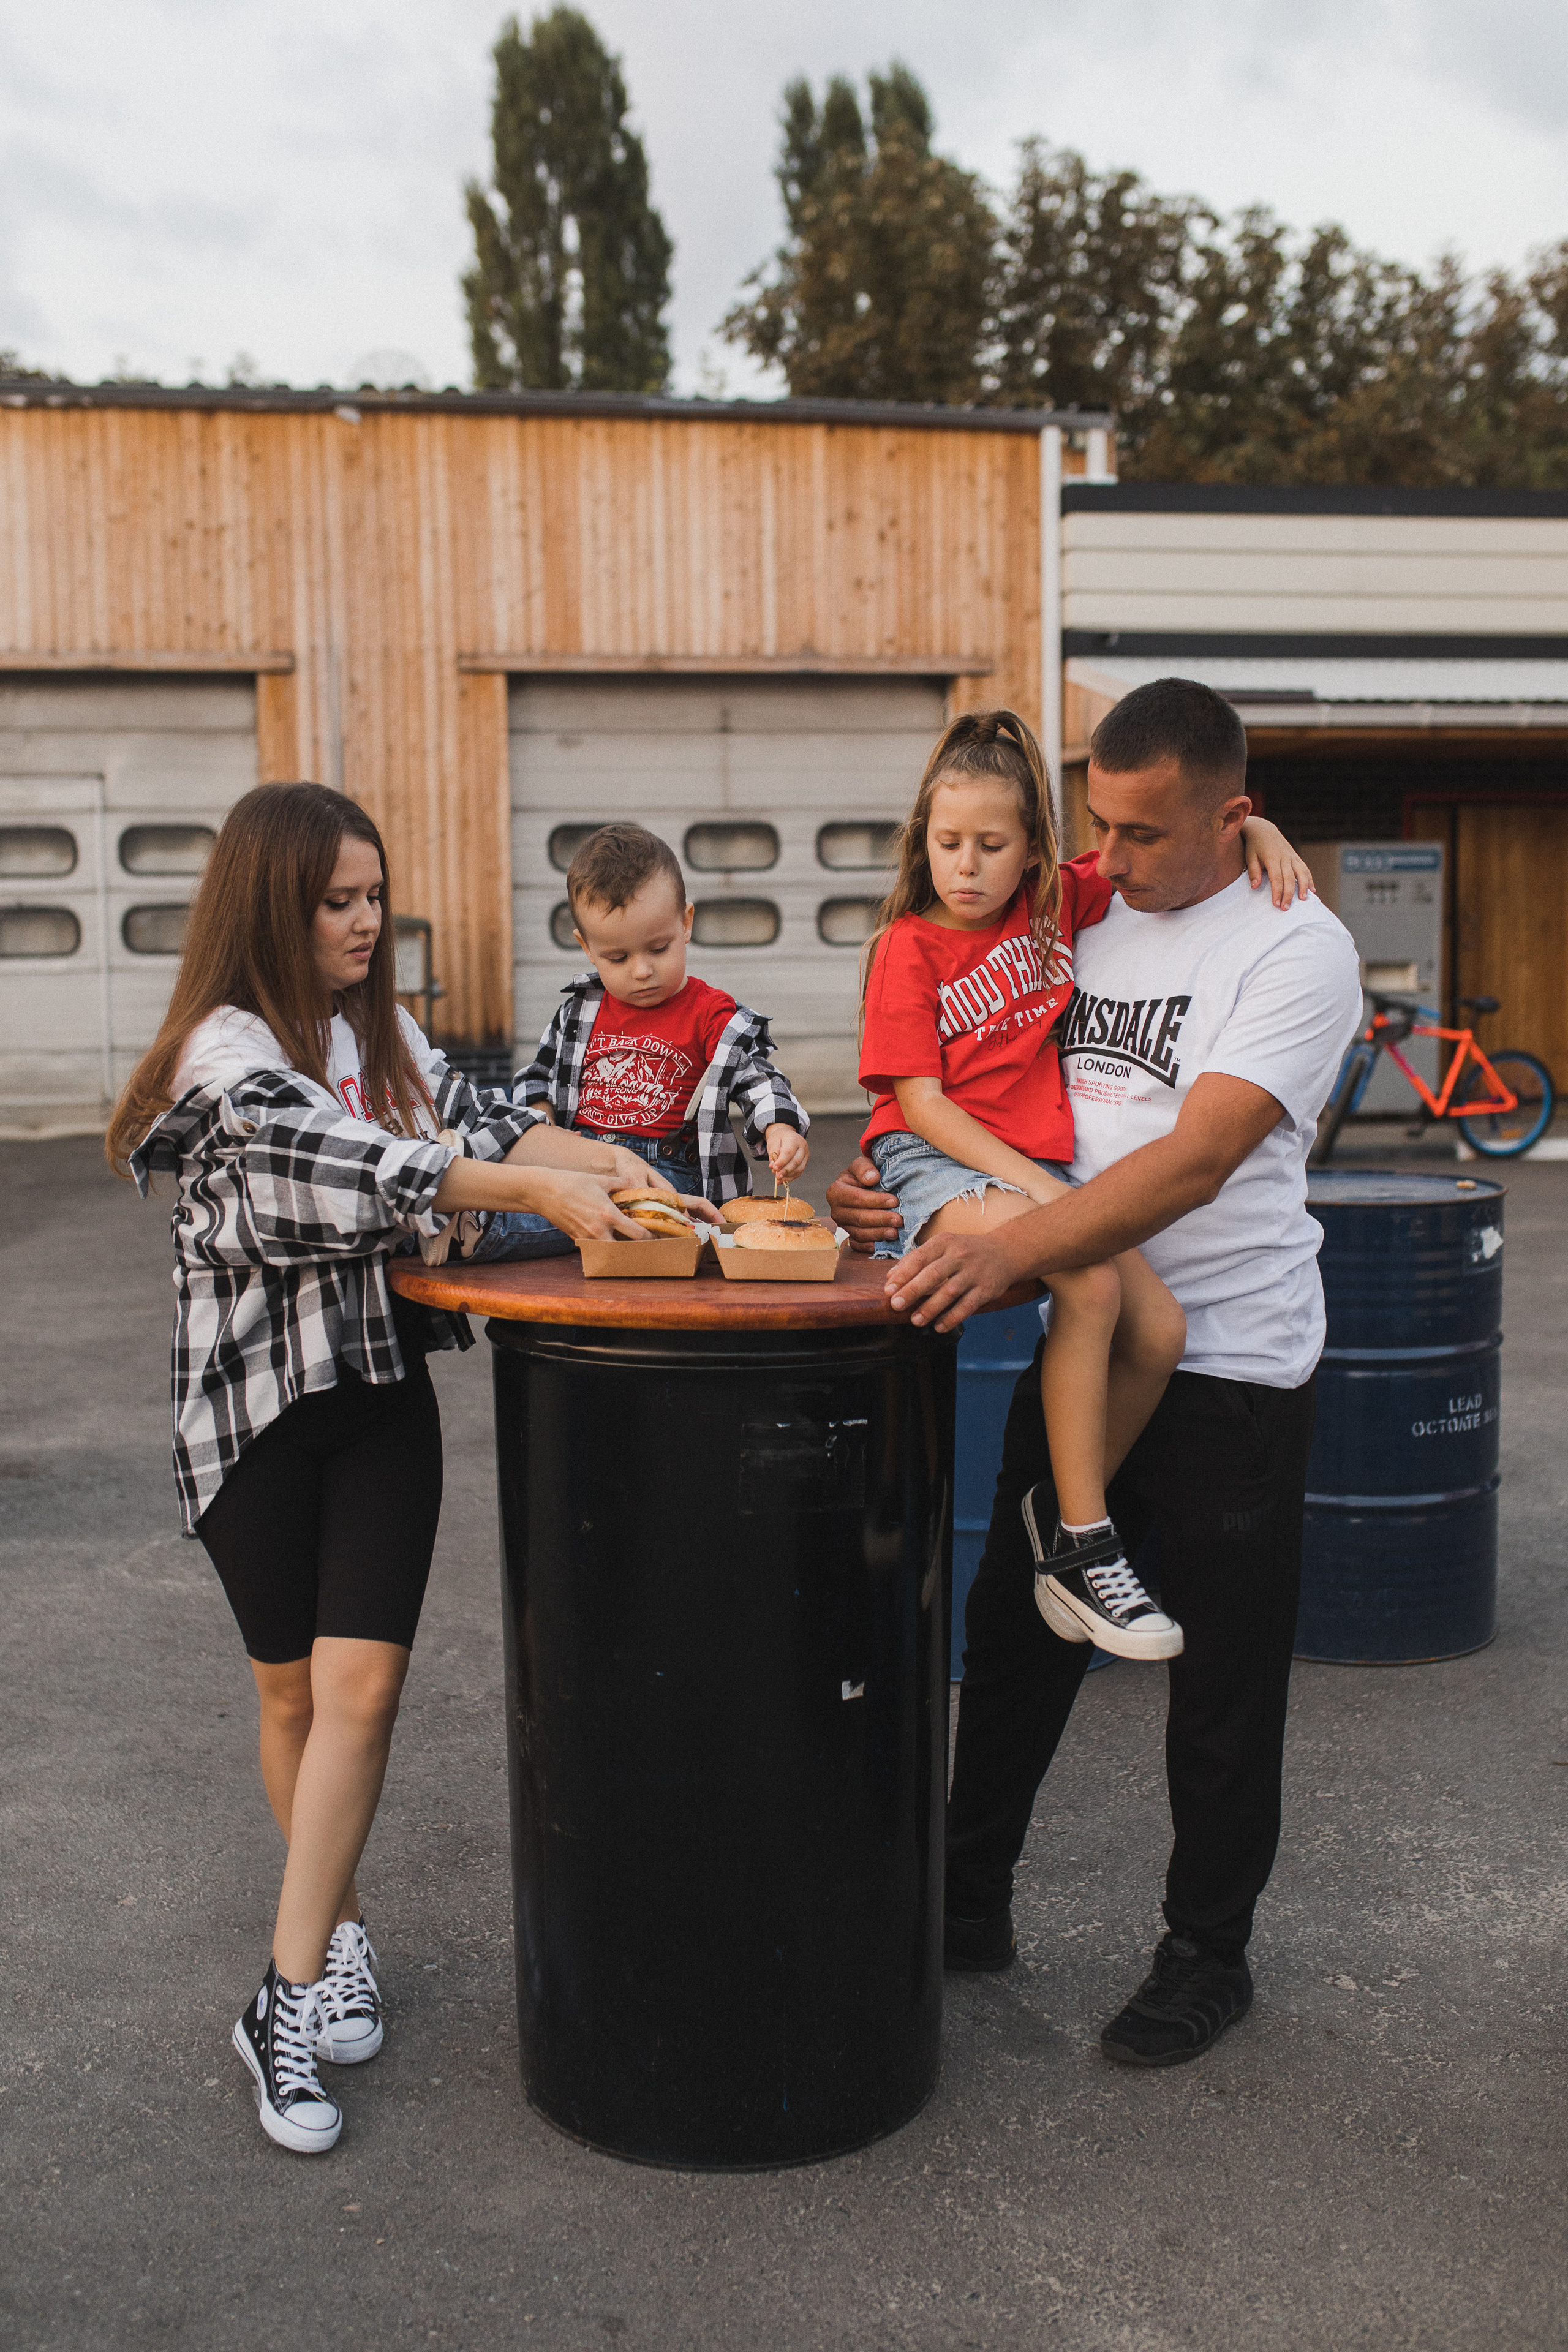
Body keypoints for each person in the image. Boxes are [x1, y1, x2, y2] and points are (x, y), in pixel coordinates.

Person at [106, 781, 661, 2156]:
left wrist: (601, 1160)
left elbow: (474, 1116)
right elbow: (337, 1162)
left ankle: (282, 1997)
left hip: (372, 1396)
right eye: (336, 902)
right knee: (288, 1696)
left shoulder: (381, 1027)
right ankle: (337, 1926)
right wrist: (531, 1193)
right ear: (270, 907)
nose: (364, 923)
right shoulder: (221, 1054)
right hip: (251, 1411)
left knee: (362, 1688)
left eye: (372, 896)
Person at [828, 677, 1362, 2067]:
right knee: (1017, 1632)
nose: (1105, 861)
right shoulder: (1074, 910)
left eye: (1136, 835)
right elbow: (956, 1076)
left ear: (1232, 819)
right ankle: (964, 1903)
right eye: (1098, 827)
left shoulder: (1292, 945)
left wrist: (1012, 1252)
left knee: (1221, 1685)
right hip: (1090, 1340)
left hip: (1231, 1350)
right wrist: (919, 1193)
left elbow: (1188, 1163)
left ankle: (1204, 1952)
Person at [857, 709, 1314, 1662]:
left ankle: (1066, 1530)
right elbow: (923, 1106)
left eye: (991, 845)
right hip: (943, 1155)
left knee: (1160, 1327)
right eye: (949, 844)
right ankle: (1087, 1540)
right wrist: (1039, 1187)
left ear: (1031, 855)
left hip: (1038, 1176)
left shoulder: (1060, 907)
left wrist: (1259, 830)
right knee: (1096, 1285)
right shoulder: (907, 946)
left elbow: (1203, 840)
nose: (968, 866)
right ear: (923, 842)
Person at [488, 823, 808, 1254]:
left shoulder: (710, 1013)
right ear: (586, 947)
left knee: (630, 1221)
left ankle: (486, 1232)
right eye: (617, 957)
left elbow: (757, 1079)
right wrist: (544, 1125)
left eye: (659, 949)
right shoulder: (579, 1011)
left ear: (686, 923)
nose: (641, 971)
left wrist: (780, 1128)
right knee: (539, 1201)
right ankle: (480, 1228)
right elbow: (538, 1079)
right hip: (584, 1165)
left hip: (670, 1175)